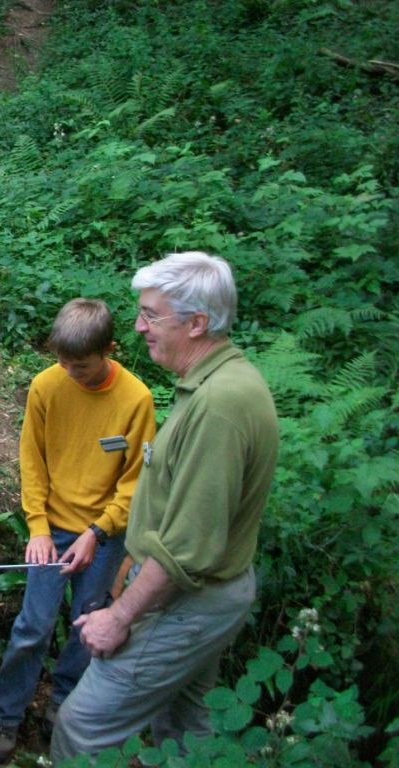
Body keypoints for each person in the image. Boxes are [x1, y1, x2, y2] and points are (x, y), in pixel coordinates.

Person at [50, 252, 280, 761]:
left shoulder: (220, 406)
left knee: (82, 726)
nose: (138, 326)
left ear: (197, 323)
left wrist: (120, 614)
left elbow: (188, 548)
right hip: (202, 592)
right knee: (186, 726)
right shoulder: (210, 385)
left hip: (189, 601)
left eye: (152, 314)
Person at [0, 298, 156, 764]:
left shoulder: (136, 400)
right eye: (61, 361)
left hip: (104, 536)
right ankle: (6, 714)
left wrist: (99, 532)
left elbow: (135, 482)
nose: (69, 372)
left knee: (88, 623)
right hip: (53, 528)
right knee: (32, 625)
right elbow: (31, 461)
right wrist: (38, 527)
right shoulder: (46, 387)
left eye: (79, 365)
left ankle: (64, 704)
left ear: (109, 351)